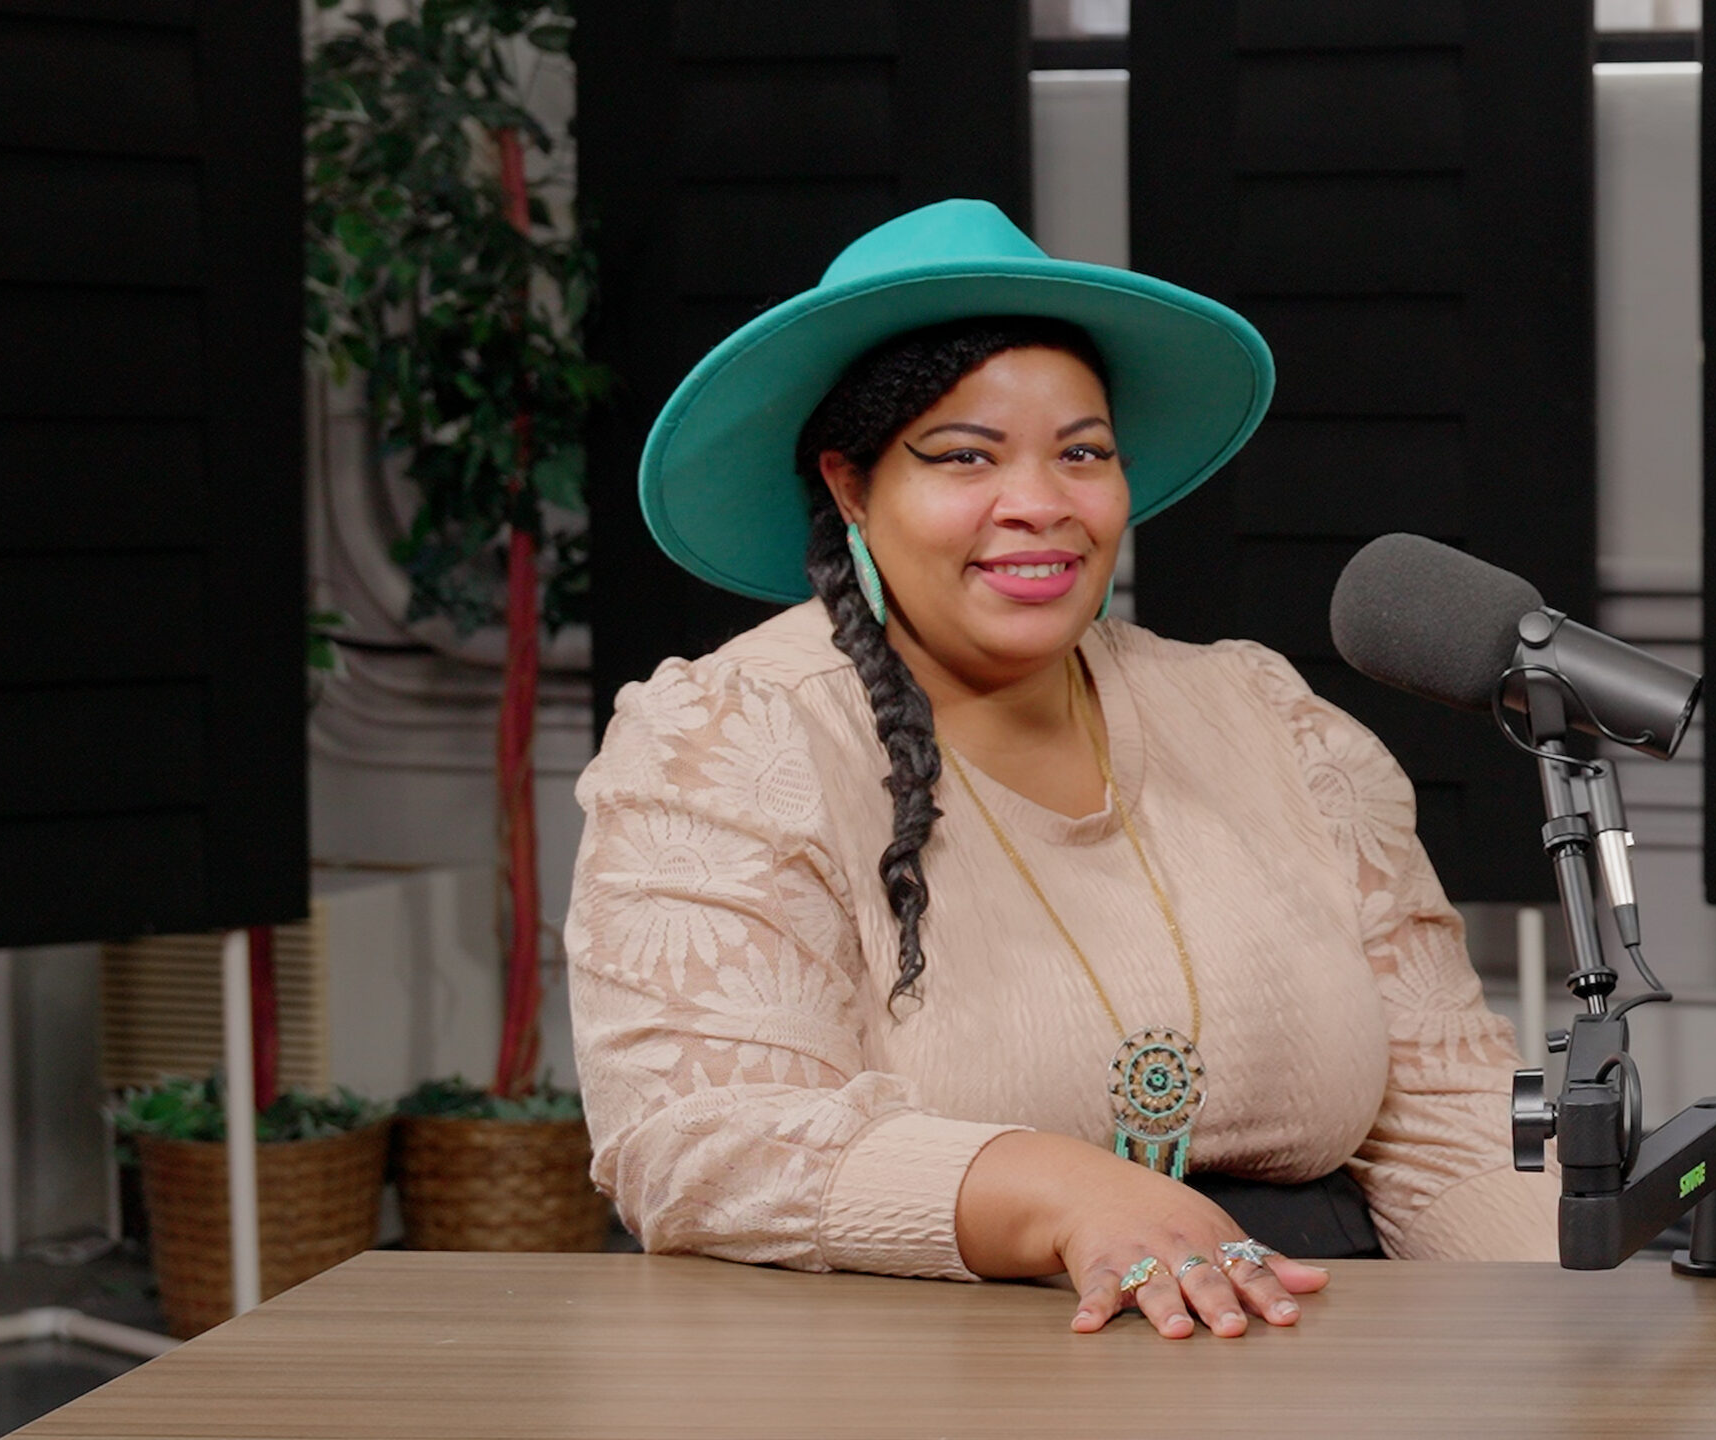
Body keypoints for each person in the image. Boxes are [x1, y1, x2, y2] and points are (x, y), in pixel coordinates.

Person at [565, 200, 1556, 1340]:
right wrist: (1061, 1190)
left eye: (1081, 453)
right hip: (914, 1362)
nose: (1039, 504)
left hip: (1303, 1352)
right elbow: (698, 1141)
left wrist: (1583, 1335)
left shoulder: (1267, 720)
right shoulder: (727, 739)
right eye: (962, 457)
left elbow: (1449, 1118)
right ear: (850, 489)